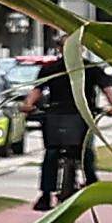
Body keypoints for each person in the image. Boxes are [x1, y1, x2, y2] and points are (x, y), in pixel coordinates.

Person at [30, 49, 94, 206]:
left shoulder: (87, 68)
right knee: (81, 152)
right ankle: (91, 184)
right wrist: (28, 104)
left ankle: (46, 195)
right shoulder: (86, 67)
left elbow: (36, 91)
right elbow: (37, 90)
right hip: (74, 117)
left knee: (56, 153)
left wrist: (28, 104)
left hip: (62, 117)